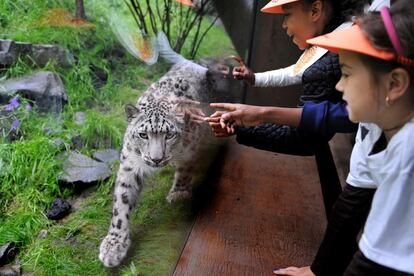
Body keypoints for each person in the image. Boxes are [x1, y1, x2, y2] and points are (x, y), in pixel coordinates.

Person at [274, 1, 414, 275]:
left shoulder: (407, 156)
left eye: (347, 74)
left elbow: (373, 267)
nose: (339, 85)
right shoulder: (390, 135)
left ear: (395, 85)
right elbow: (351, 204)